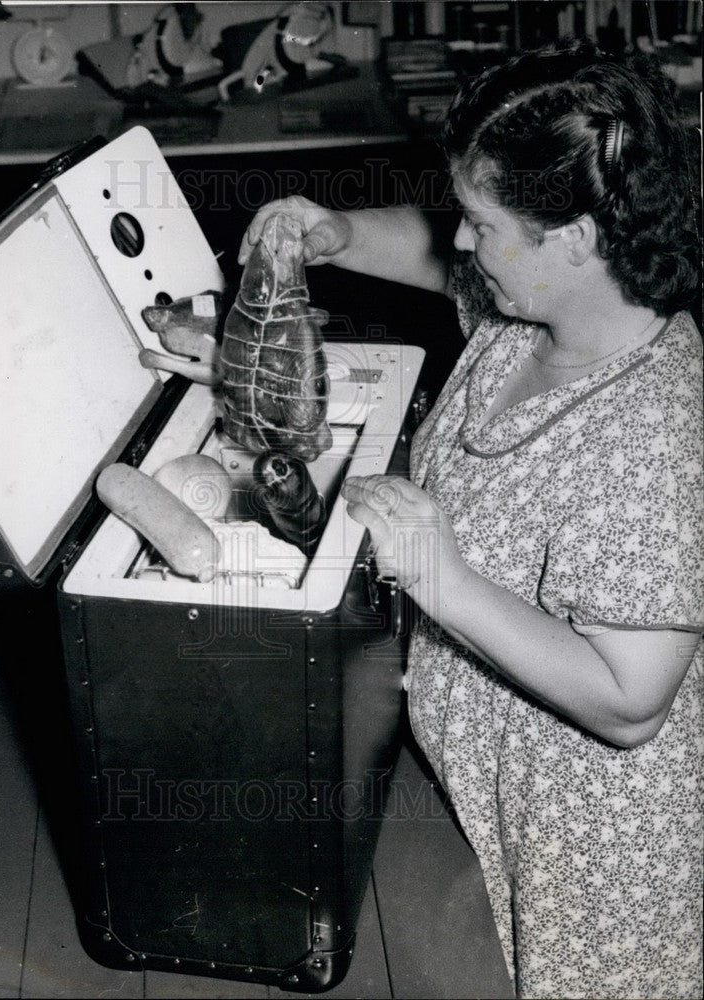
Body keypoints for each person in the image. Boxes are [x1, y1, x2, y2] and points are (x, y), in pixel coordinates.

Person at [238, 42, 703, 1000]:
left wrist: (441, 577)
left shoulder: (653, 434)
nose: (458, 240)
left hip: (593, 839)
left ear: (571, 238)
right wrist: (332, 231)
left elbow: (630, 701)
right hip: (482, 775)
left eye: (481, 222)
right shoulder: (535, 312)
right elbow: (425, 249)